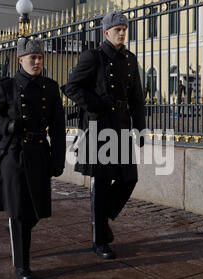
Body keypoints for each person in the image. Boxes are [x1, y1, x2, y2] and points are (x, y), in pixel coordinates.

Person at [0, 38, 66, 279]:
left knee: (36, 210)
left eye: (40, 57)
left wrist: (58, 159)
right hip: (13, 155)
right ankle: (22, 266)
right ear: (20, 60)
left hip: (39, 154)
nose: (37, 62)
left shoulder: (50, 87)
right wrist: (8, 125)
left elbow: (58, 127)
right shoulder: (7, 86)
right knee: (19, 211)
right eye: (32, 58)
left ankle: (15, 232)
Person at [63, 11, 145, 259]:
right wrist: (97, 102)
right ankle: (99, 239)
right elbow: (71, 87)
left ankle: (102, 220)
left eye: (124, 29)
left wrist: (139, 128)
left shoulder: (130, 59)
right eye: (117, 29)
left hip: (120, 125)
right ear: (106, 32)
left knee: (129, 178)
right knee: (101, 182)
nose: (121, 33)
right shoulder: (94, 57)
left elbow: (137, 98)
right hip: (98, 126)